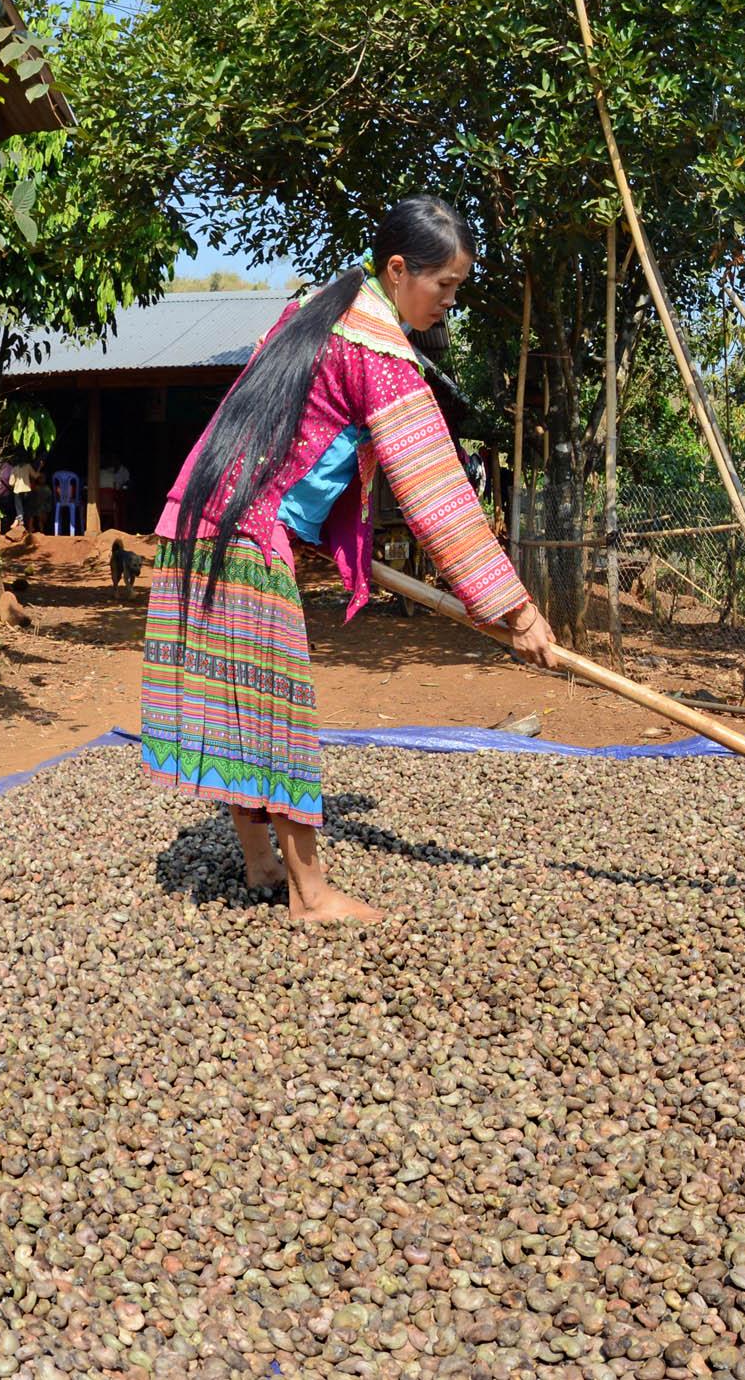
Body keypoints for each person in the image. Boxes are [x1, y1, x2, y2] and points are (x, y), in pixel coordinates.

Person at [144, 197, 555, 922]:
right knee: (276, 711)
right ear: (399, 271)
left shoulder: (317, 310)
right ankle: (310, 895)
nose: (449, 304)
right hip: (242, 537)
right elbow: (440, 498)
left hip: (194, 518)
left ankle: (263, 864)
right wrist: (516, 611)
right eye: (446, 287)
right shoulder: (381, 354)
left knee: (243, 701)